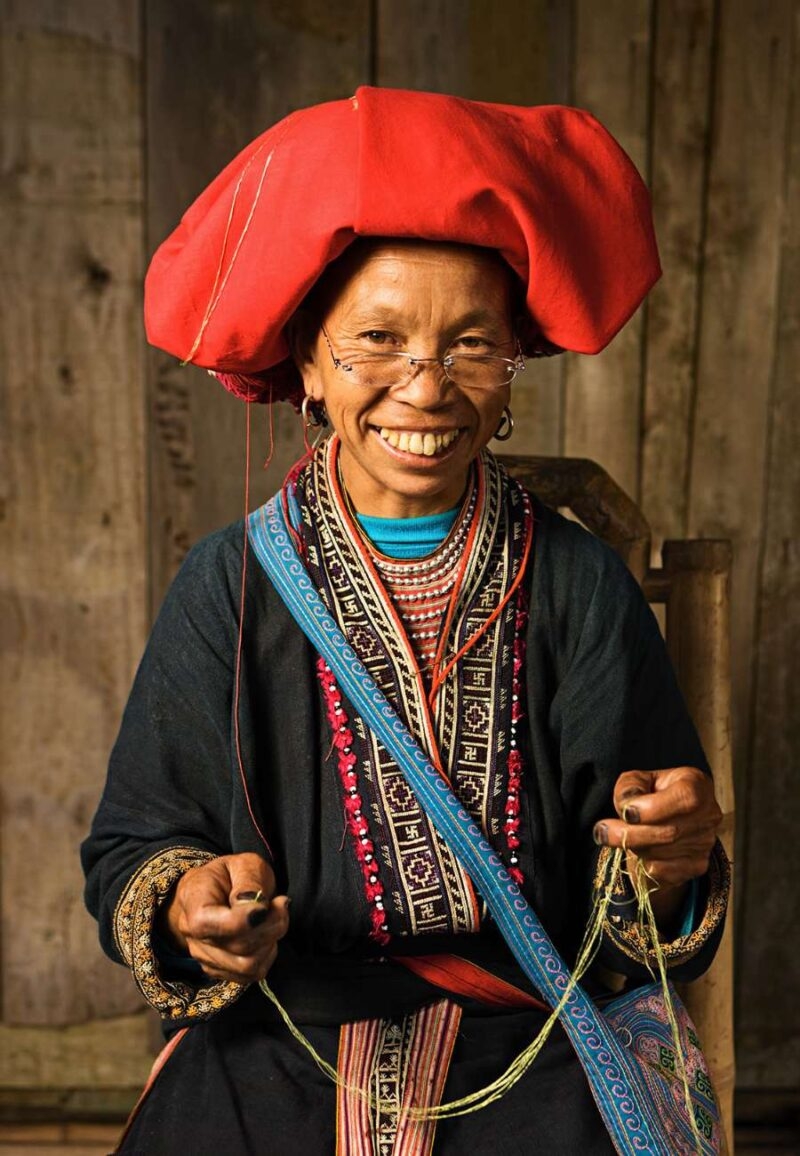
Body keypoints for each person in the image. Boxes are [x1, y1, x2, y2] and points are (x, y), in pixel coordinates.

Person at [82, 87, 729, 1155]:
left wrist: (665, 861)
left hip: (528, 1033)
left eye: (471, 345)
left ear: (512, 368)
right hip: (282, 1032)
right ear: (305, 364)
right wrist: (189, 903)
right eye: (375, 339)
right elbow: (133, 845)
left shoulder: (574, 585)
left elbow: (640, 905)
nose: (424, 387)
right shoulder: (225, 584)